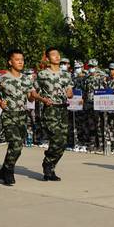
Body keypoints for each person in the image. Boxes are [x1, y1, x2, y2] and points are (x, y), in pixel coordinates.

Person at [0, 49, 35, 186]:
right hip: (9, 115)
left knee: (19, 146)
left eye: (22, 59)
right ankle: (9, 172)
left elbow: (29, 97)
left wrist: (32, 96)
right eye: (17, 59)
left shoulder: (26, 79)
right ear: (10, 62)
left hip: (22, 115)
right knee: (15, 144)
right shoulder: (3, 78)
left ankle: (4, 170)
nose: (20, 62)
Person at [32, 47, 74, 181]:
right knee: (56, 138)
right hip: (50, 110)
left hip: (63, 109)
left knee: (63, 142)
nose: (57, 57)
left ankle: (50, 165)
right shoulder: (43, 74)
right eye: (53, 55)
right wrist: (42, 99)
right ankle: (48, 164)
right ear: (48, 58)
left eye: (58, 54)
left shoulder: (66, 74)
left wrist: (70, 93)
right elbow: (33, 93)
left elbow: (70, 92)